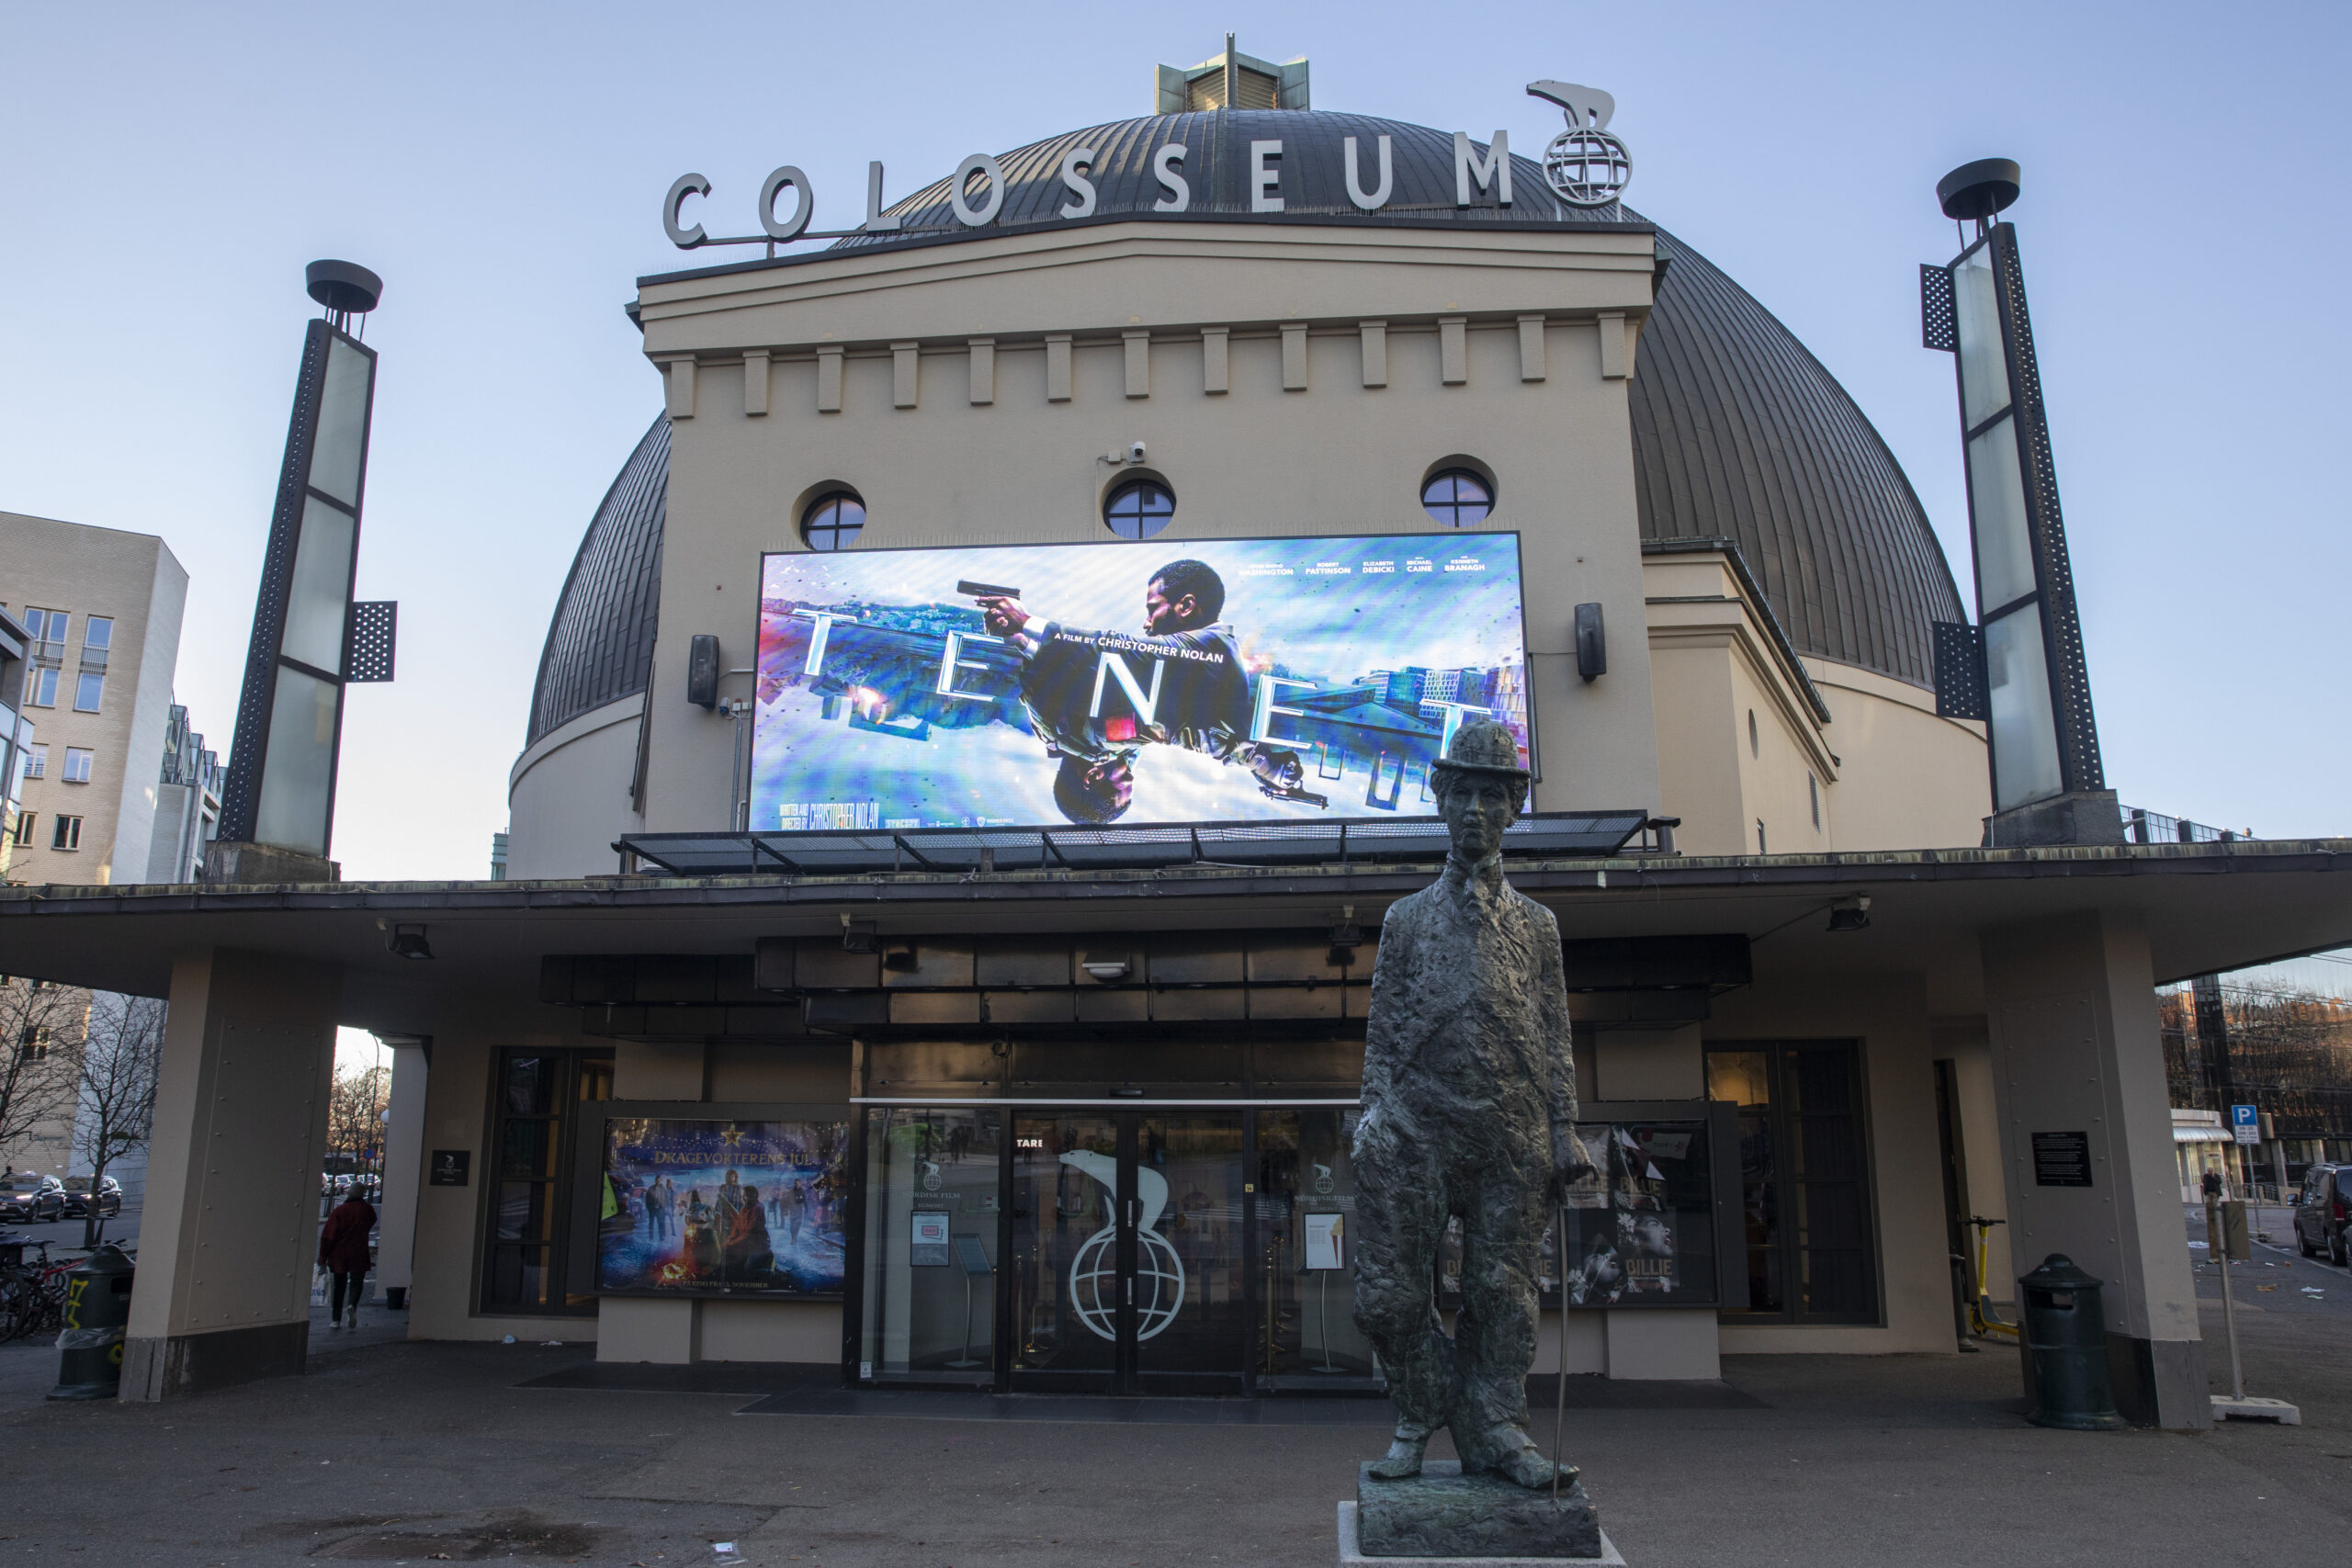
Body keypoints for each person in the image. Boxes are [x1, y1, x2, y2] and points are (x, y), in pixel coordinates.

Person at [1351, 718, 1589, 1490]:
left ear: (1513, 808)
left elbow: (1554, 1030)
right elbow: (1384, 1030)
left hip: (1511, 1133)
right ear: (1442, 800)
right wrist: (1374, 1112)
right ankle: (1422, 1410)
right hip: (1418, 1128)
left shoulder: (1539, 928)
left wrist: (1565, 1126)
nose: (1476, 811)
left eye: (1492, 796)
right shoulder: (1406, 919)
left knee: (1502, 1293)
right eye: (1463, 794)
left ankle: (1498, 1429)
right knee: (1387, 1297)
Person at [978, 560, 1306, 823]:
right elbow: (1048, 669)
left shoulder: (1101, 739)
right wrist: (1018, 637)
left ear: (1092, 776)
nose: (1130, 770)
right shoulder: (1053, 735)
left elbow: (1178, 731)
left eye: (1125, 780)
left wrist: (1261, 764)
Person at [317, 1179, 377, 1331]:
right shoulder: (367, 1210)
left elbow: (328, 1236)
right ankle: (352, 1305)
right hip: (359, 1251)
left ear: (350, 1192)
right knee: (357, 1281)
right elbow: (371, 1221)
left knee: (339, 1285)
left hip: (340, 1253)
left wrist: (323, 1257)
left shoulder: (340, 1211)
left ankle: (336, 1319)